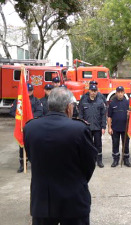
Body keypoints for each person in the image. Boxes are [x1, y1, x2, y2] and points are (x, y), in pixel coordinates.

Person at [24, 87, 97, 225]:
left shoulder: (30, 128)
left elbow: (32, 158)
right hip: (73, 201)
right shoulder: (80, 129)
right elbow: (89, 164)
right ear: (69, 107)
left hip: (42, 201)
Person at [10, 83, 43, 173]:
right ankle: (22, 164)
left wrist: (29, 118)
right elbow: (12, 111)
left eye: (30, 90)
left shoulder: (36, 101)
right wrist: (20, 117)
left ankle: (34, 163)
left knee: (34, 145)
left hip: (33, 126)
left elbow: (40, 111)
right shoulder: (18, 100)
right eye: (27, 91)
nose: (29, 92)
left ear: (33, 90)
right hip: (22, 127)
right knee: (22, 145)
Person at [79, 84, 106, 168]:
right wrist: (82, 125)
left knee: (98, 145)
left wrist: (103, 127)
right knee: (88, 145)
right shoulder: (84, 101)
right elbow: (80, 115)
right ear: (89, 91)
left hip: (97, 128)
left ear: (97, 92)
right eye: (92, 91)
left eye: (95, 91)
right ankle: (89, 161)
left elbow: (103, 115)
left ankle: (99, 161)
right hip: (87, 128)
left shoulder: (100, 102)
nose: (93, 93)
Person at [107, 86, 131, 167]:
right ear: (116, 93)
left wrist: (129, 114)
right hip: (115, 128)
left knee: (126, 145)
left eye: (122, 92)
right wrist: (109, 128)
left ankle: (126, 159)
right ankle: (115, 160)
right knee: (115, 144)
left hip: (126, 128)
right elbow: (109, 117)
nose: (120, 94)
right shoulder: (112, 103)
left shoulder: (128, 103)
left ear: (124, 93)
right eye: (118, 92)